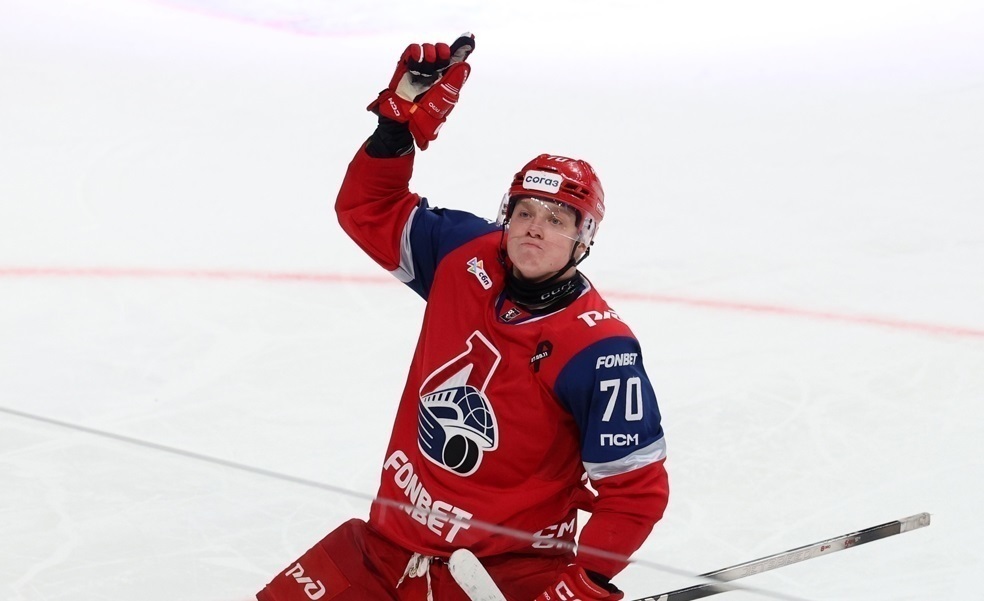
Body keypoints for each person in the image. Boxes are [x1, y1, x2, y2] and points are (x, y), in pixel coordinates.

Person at [257, 34, 669, 601]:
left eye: (556, 220)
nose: (534, 228)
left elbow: (635, 494)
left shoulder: (599, 350)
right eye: (525, 211)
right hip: (389, 547)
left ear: (584, 238)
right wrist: (394, 127)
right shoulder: (463, 255)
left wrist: (582, 585)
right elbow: (368, 208)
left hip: (503, 576)